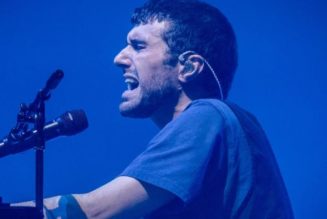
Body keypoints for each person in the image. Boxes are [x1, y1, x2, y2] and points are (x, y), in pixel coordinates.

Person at [15, 0, 294, 218]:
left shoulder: (208, 115)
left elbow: (94, 210)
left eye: (138, 46)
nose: (118, 59)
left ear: (188, 66)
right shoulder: (232, 126)